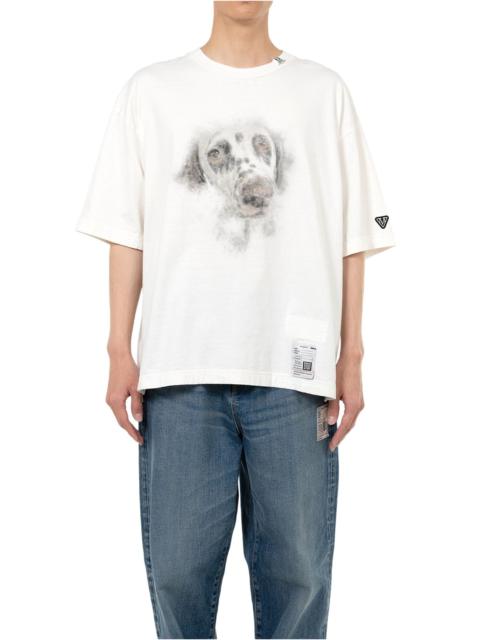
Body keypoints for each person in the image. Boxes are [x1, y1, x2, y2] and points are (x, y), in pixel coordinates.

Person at [76, 1, 395, 637]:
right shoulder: (151, 91)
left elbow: (355, 235)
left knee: (298, 577)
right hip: (179, 372)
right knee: (177, 575)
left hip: (295, 376)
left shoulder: (323, 92)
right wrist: (118, 349)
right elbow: (126, 232)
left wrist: (352, 356)